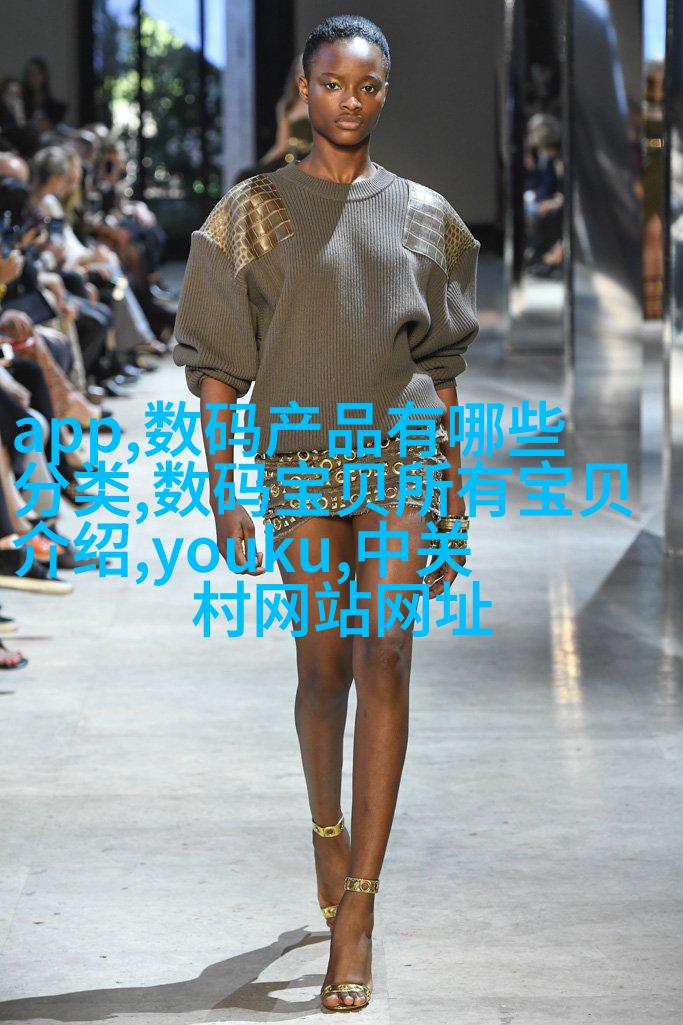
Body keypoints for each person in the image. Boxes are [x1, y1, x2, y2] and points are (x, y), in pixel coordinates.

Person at [173, 13, 480, 1013]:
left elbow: (440, 363)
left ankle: (359, 907)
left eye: (368, 85)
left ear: (385, 92)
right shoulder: (252, 213)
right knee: (322, 669)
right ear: (302, 91)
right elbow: (219, 364)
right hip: (300, 457)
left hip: (399, 452)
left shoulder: (426, 216)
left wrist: (452, 491)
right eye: (333, 83)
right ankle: (324, 827)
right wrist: (221, 485)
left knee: (383, 652)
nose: (350, 101)